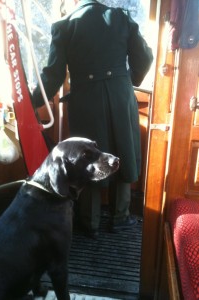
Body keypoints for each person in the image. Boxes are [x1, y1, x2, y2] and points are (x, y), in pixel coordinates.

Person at [32, 0, 153, 238]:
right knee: (123, 151)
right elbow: (145, 59)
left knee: (88, 157)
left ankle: (90, 221)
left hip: (86, 101)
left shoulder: (64, 27)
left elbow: (53, 76)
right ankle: (120, 216)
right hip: (121, 96)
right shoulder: (121, 17)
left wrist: (31, 101)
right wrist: (129, 79)